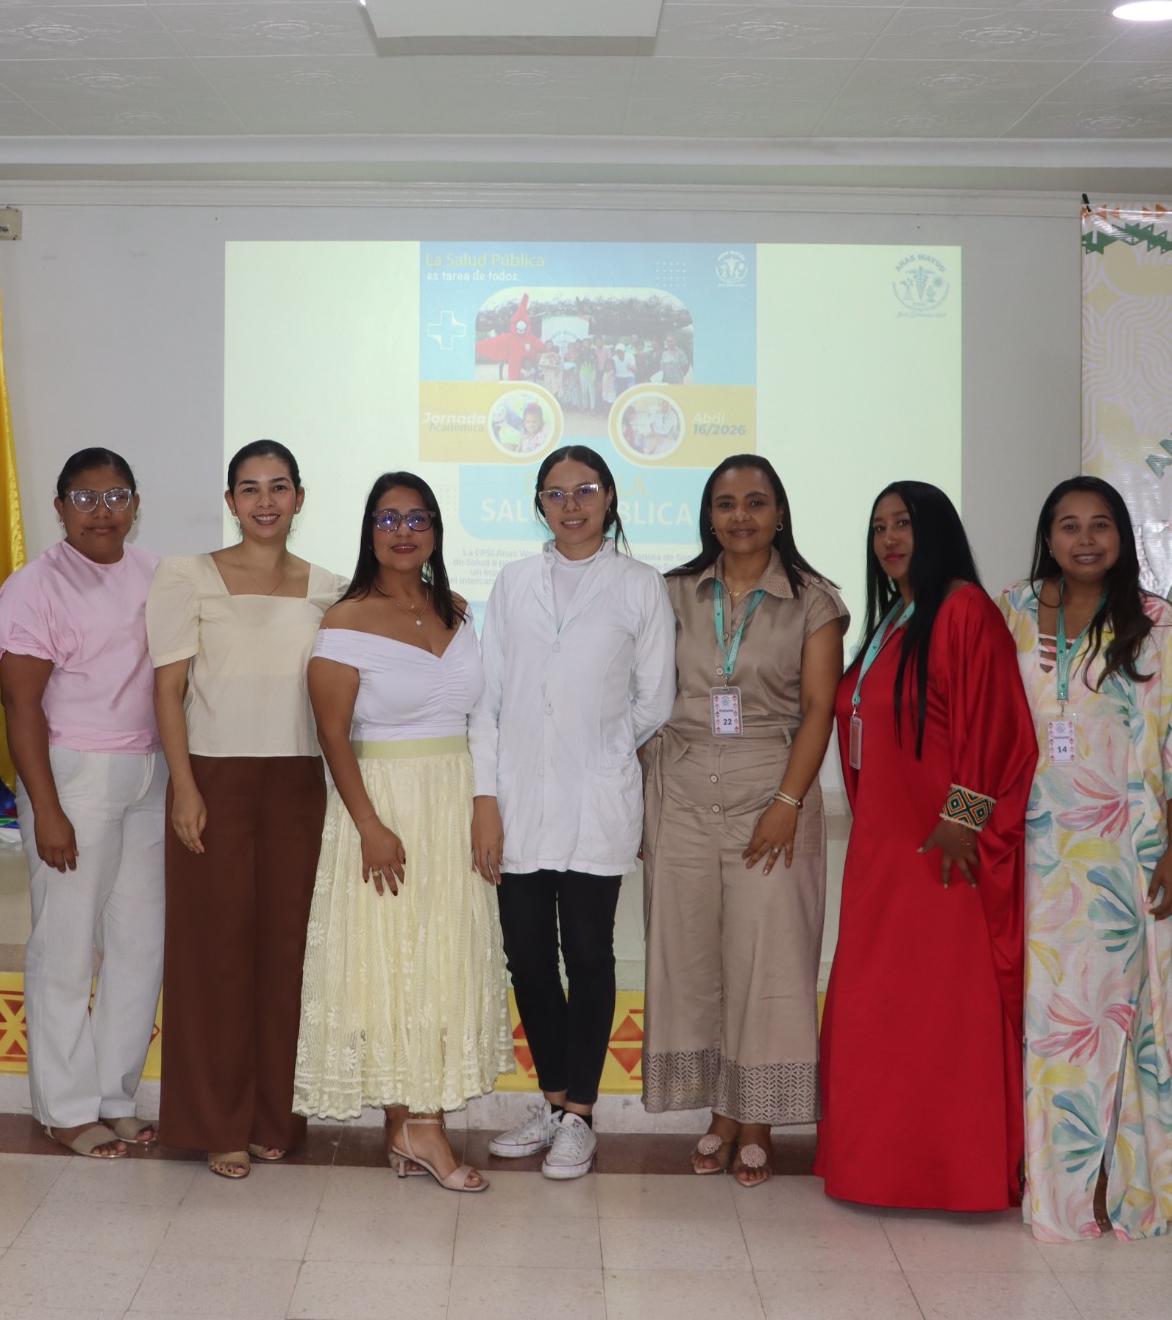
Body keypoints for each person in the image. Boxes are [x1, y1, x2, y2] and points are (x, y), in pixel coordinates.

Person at [817, 480, 1035, 1212]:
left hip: (944, 850)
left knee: (943, 1014)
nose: (889, 538)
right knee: (880, 1010)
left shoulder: (965, 609)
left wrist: (963, 818)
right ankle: (877, 1168)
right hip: (883, 846)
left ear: (936, 529)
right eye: (879, 527)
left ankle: (953, 1172)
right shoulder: (893, 617)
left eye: (904, 523)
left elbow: (999, 724)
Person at [293, 473, 512, 1189]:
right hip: (384, 806)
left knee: (442, 959)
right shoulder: (346, 618)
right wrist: (368, 825)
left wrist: (484, 802)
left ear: (437, 531)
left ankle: (406, 1129)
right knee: (392, 960)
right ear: (369, 531)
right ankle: (423, 1126)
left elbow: (480, 714)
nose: (403, 532)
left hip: (453, 802)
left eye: (418, 518)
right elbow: (332, 734)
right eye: (388, 519)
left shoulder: (456, 610)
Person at [1002, 477, 1172, 1242]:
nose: (1085, 539)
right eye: (1068, 525)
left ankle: (1114, 1186)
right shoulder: (1011, 611)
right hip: (1032, 854)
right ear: (1047, 537)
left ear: (1122, 535)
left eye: (1100, 525)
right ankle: (1046, 1185)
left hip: (1126, 855)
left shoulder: (1158, 622)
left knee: (1116, 1017)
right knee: (1045, 1022)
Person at [643, 454, 846, 1186]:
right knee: (693, 957)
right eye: (725, 504)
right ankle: (720, 1113)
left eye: (755, 503)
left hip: (771, 792)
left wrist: (788, 804)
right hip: (683, 792)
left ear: (779, 513)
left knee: (769, 960)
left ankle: (756, 1118)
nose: (740, 516)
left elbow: (820, 709)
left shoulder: (813, 601)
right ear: (708, 515)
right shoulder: (670, 593)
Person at [473, 445, 673, 1181]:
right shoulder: (513, 581)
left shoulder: (640, 585)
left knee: (589, 956)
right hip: (518, 801)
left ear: (610, 496)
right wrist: (485, 798)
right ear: (538, 504)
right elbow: (488, 701)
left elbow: (655, 699)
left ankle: (582, 1114)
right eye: (554, 494)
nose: (571, 505)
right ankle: (554, 1102)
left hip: (596, 799)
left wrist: (604, 746)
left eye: (584, 490)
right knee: (527, 957)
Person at [149, 440, 346, 1180]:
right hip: (214, 781)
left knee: (285, 955)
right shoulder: (186, 576)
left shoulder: (331, 588)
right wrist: (185, 786)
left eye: (279, 486)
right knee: (214, 956)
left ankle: (272, 1117)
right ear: (231, 501)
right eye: (251, 488)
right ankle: (216, 1124)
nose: (266, 501)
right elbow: (167, 690)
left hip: (297, 784)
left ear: (300, 498)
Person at [0, 448, 164, 1159]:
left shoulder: (156, 574)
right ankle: (64, 1108)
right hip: (74, 777)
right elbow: (19, 704)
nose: (102, 511)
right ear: (59, 507)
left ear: (136, 504)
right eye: (85, 499)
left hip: (149, 775)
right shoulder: (35, 586)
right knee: (65, 947)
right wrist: (47, 808)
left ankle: (113, 1096)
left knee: (138, 946)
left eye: (116, 496)